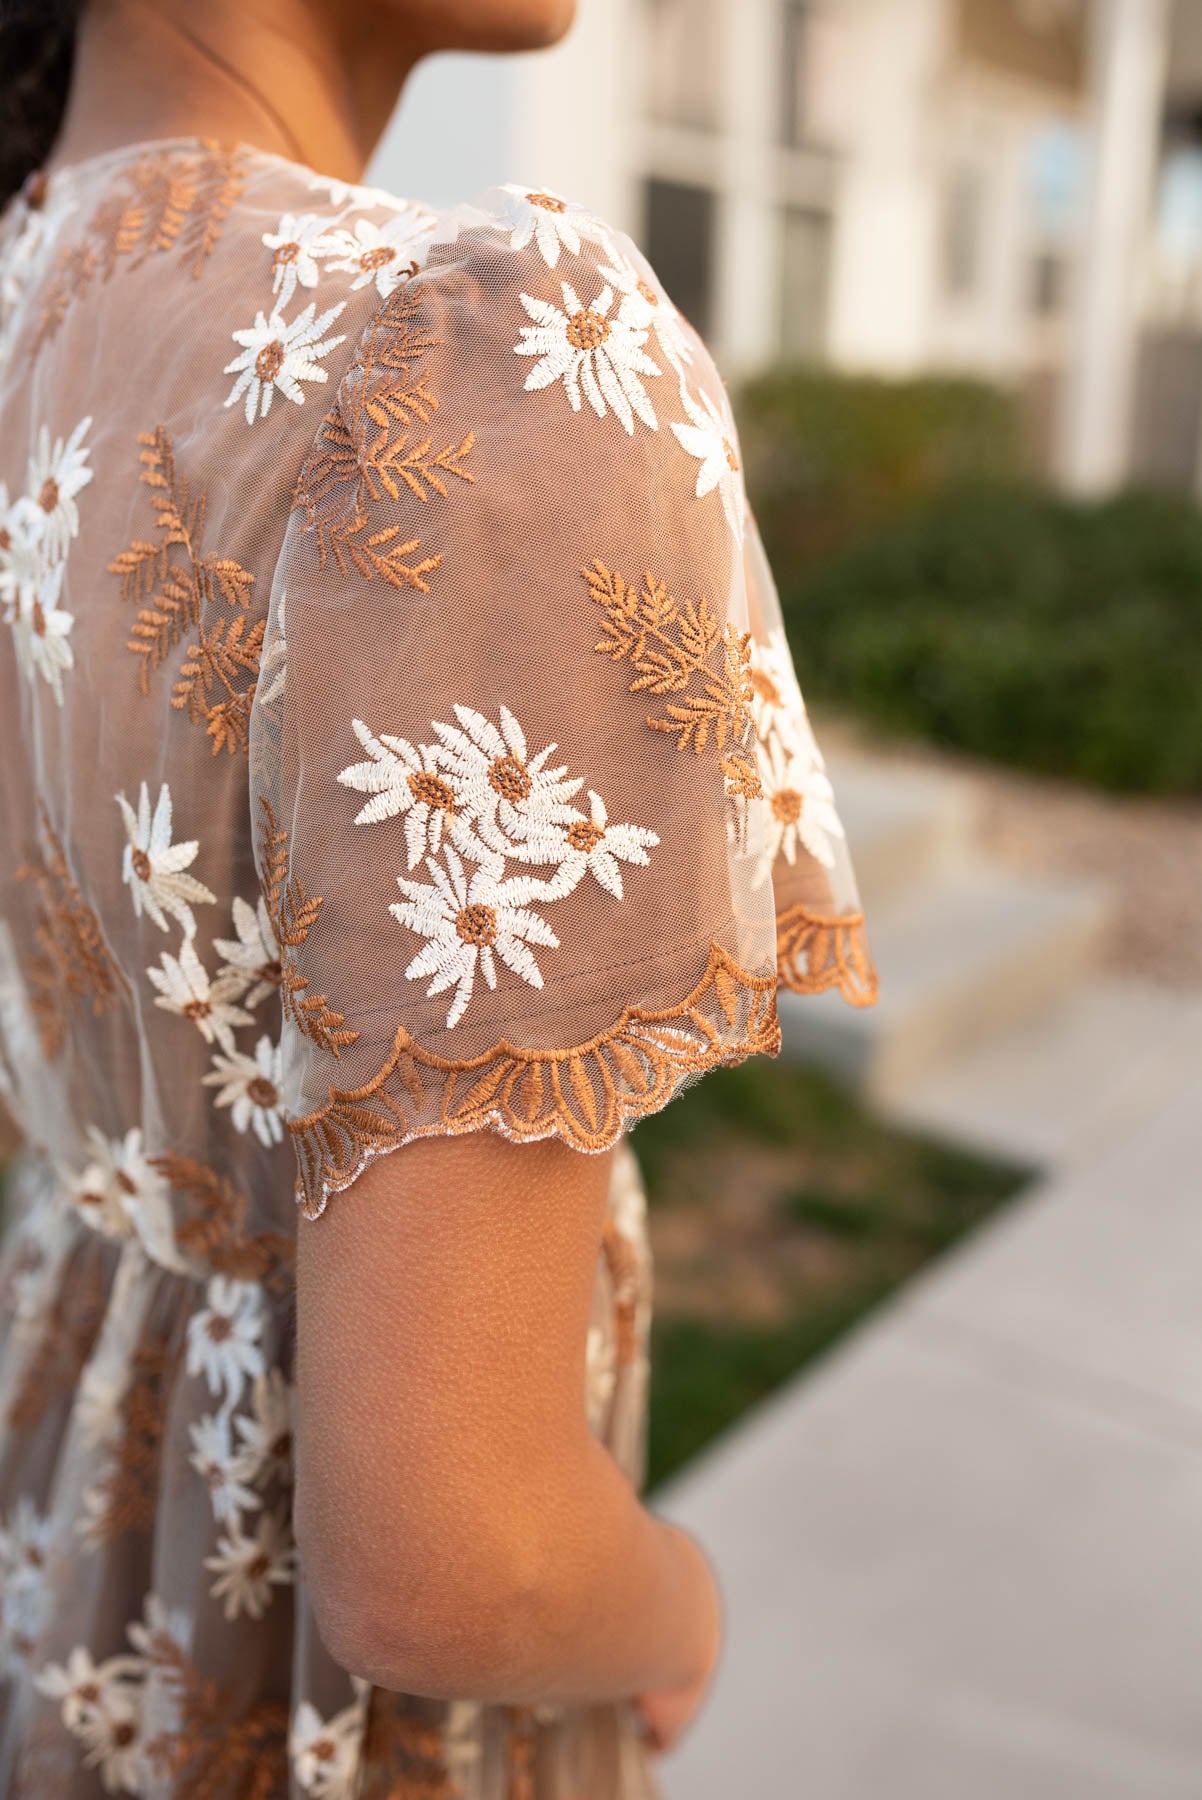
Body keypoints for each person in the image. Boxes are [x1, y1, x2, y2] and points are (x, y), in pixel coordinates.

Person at [0, 0, 876, 1793]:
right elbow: (451, 1564)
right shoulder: (479, 352)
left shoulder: (32, 286)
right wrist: (677, 1603)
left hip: (63, 1541)